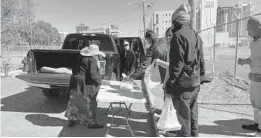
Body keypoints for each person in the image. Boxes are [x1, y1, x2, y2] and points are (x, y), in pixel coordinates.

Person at [164, 4, 205, 137]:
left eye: (173, 21)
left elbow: (177, 64)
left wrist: (170, 83)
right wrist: (202, 75)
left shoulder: (178, 36)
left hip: (183, 84)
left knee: (183, 118)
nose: (172, 24)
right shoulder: (195, 34)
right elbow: (201, 58)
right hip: (195, 81)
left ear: (176, 21)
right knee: (193, 115)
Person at [65, 44, 105, 129]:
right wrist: (100, 81)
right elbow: (93, 75)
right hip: (83, 82)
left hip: (74, 80)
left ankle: (72, 119)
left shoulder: (79, 57)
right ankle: (92, 123)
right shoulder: (92, 60)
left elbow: (74, 69)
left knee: (74, 100)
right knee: (90, 102)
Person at [238, 17, 261, 137]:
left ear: (257, 27)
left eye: (249, 30)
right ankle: (257, 123)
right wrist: (244, 61)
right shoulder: (254, 42)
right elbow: (254, 59)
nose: (248, 33)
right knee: (255, 102)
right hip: (255, 77)